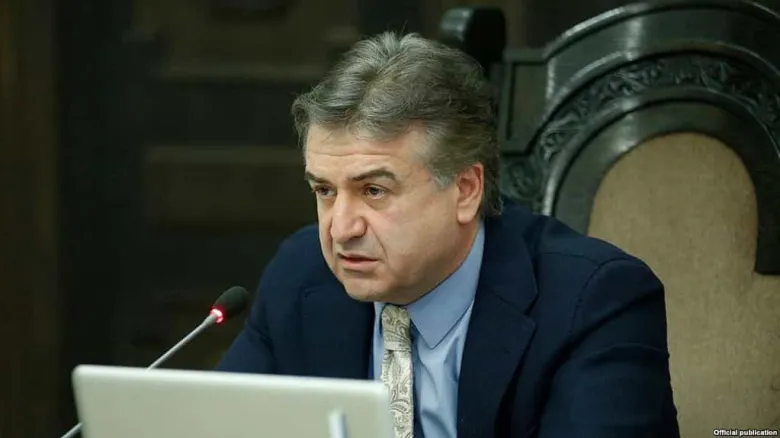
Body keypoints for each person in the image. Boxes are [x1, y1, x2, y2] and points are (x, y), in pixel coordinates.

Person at [216, 31, 680, 438]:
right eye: (325, 191)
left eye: (374, 191)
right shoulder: (300, 275)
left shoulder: (593, 302)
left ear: (465, 190)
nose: (341, 228)